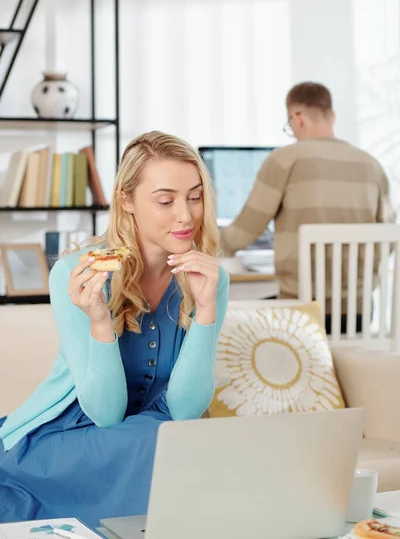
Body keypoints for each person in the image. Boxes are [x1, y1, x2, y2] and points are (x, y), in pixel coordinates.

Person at [0, 131, 229, 526]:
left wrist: (206, 310)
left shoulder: (209, 277)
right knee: (163, 446)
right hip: (65, 434)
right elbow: (105, 414)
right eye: (165, 200)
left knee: (178, 443)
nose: (186, 215)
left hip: (154, 435)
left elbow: (186, 410)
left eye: (194, 196)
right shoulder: (76, 272)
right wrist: (100, 321)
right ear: (126, 200)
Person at [220, 82, 395, 333]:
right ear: (331, 116)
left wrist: (205, 247)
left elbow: (246, 231)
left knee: (231, 321)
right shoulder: (372, 166)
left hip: (302, 317)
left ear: (297, 118)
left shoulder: (283, 160)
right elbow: (387, 239)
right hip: (358, 315)